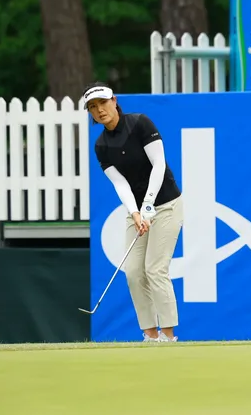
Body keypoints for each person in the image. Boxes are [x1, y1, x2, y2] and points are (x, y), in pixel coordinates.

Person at [84, 82, 184, 343]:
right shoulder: (101, 146)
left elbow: (158, 164)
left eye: (103, 103)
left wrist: (148, 204)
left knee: (155, 269)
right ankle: (150, 335)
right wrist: (136, 212)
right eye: (92, 107)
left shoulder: (140, 123)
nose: (99, 110)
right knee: (133, 272)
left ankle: (168, 336)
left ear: (114, 101)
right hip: (138, 211)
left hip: (166, 205)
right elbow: (120, 183)